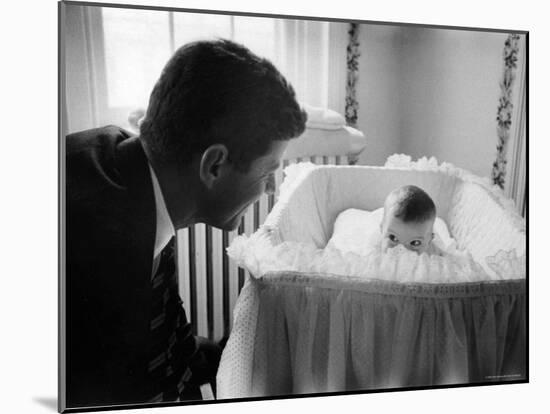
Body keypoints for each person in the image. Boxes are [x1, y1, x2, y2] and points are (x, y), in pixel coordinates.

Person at [65, 39, 307, 408]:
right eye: (268, 172)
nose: (272, 190)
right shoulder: (93, 240)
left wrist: (243, 348)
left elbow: (168, 341)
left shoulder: (150, 181)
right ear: (214, 166)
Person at [380, 185, 443, 255]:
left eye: (415, 243)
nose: (402, 251)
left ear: (429, 241)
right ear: (381, 229)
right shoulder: (372, 252)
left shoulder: (434, 257)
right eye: (393, 238)